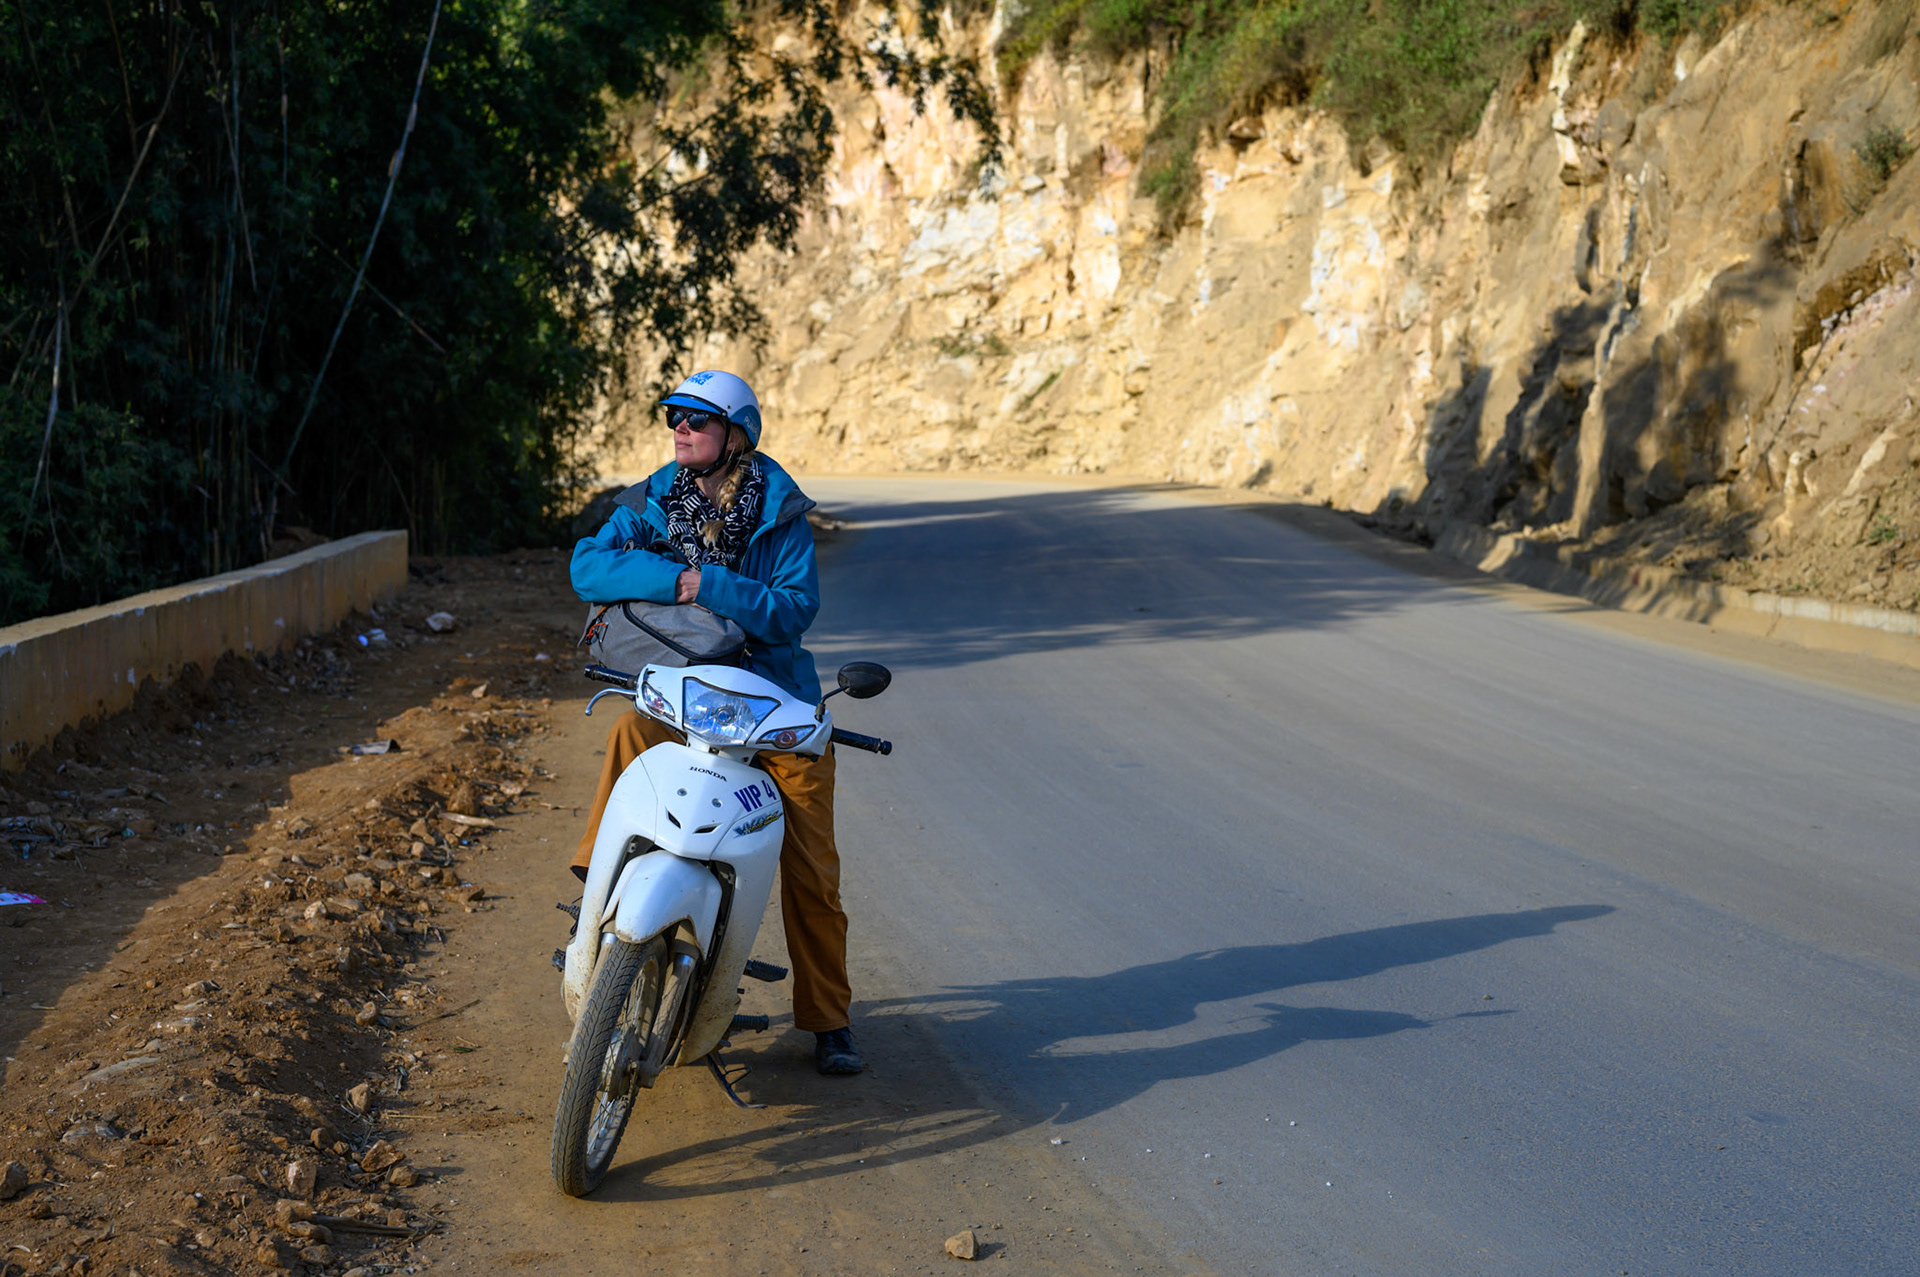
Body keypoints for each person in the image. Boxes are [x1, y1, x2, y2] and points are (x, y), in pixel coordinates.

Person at [567, 369, 864, 1076]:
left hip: (772, 698)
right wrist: (676, 582)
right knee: (628, 736)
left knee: (812, 865)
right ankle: (595, 887)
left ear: (736, 435)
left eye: (697, 420)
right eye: (674, 416)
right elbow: (589, 567)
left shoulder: (779, 511)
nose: (680, 428)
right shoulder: (651, 500)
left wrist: (714, 584)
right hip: (688, 688)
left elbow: (792, 608)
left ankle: (829, 1019)